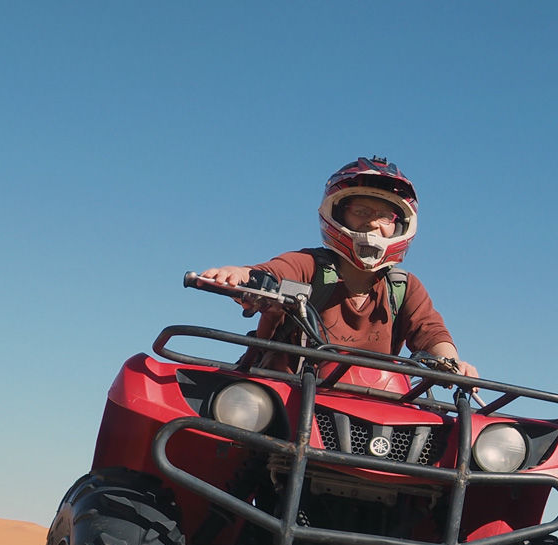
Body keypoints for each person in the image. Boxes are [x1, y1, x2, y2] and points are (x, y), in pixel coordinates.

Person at [200, 156, 475, 387]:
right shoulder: (309, 264)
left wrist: (451, 362)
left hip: (376, 403)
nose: (373, 223)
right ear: (338, 213)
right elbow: (273, 273)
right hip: (285, 397)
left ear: (399, 224)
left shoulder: (404, 287)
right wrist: (238, 275)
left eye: (385, 216)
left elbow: (430, 331)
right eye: (361, 210)